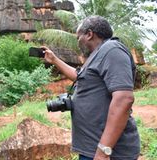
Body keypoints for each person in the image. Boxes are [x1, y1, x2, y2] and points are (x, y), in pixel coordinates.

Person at [42, 16, 140, 160]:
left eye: (78, 37)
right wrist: (54, 59)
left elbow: (124, 99)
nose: (78, 42)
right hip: (92, 148)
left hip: (109, 152)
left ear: (89, 34)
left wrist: (104, 150)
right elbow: (78, 76)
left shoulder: (112, 50)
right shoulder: (97, 55)